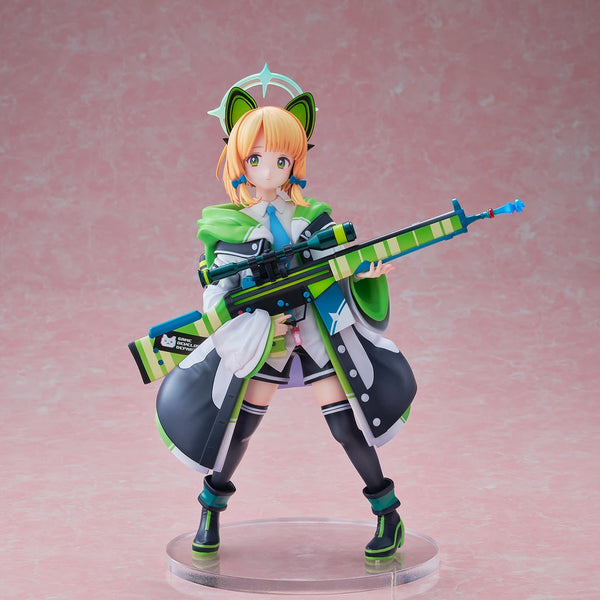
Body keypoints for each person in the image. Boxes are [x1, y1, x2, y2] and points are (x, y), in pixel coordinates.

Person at [157, 86, 417, 562]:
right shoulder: (228, 227)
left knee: (345, 427)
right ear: (240, 162)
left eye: (280, 160)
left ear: (294, 162)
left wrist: (364, 272)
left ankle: (388, 514)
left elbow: (336, 263)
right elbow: (218, 296)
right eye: (256, 159)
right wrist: (258, 324)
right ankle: (210, 510)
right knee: (239, 429)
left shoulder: (312, 220)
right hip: (266, 340)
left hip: (317, 334)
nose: (268, 170)